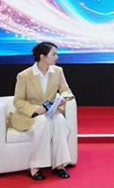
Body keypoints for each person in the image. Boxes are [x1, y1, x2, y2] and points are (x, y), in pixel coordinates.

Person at [10, 42, 75, 180]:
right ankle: (34, 167)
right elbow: (18, 101)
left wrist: (63, 98)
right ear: (42, 57)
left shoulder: (58, 71)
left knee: (60, 121)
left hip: (50, 112)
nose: (57, 57)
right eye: (54, 54)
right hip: (30, 116)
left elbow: (66, 90)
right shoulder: (24, 75)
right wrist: (35, 109)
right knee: (43, 123)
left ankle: (60, 165)